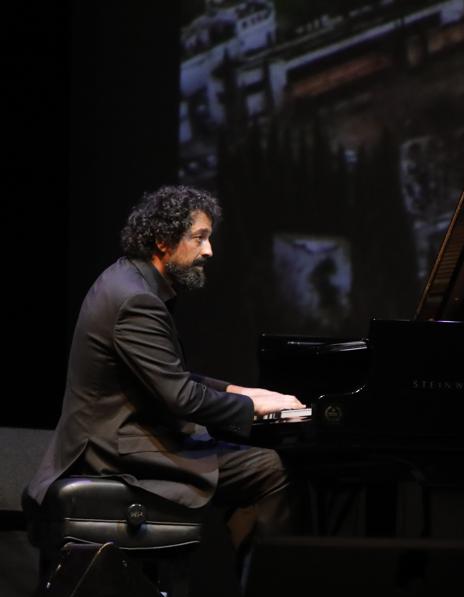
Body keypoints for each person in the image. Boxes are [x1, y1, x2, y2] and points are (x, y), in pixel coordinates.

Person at [25, 185, 305, 548]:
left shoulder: (129, 280)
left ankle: (247, 565)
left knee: (244, 454)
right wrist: (254, 408)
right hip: (113, 454)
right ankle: (270, 592)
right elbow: (181, 398)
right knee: (273, 468)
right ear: (162, 241)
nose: (209, 250)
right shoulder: (137, 300)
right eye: (199, 238)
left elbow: (167, 376)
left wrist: (241, 392)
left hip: (119, 439)